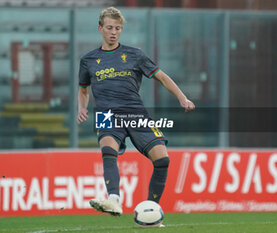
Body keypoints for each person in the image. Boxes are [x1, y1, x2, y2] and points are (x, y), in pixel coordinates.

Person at [77, 6, 195, 216]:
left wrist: (182, 97)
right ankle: (114, 200)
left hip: (135, 113)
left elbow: (162, 77)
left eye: (118, 28)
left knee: (162, 160)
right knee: (108, 150)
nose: (114, 32)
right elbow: (83, 89)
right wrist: (82, 108)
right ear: (100, 28)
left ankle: (151, 209)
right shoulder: (88, 60)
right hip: (106, 114)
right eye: (110, 27)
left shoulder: (135, 55)